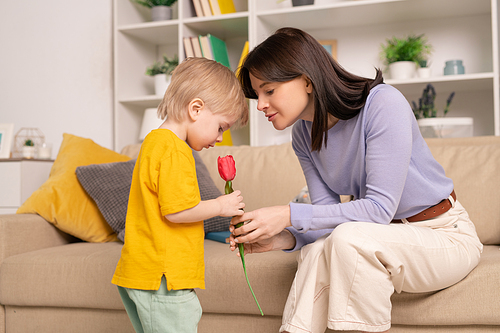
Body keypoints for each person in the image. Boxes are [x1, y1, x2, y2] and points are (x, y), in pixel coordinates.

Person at [231, 27, 483, 333]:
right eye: (256, 94)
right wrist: (285, 237)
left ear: (307, 80)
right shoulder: (302, 134)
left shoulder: (382, 104)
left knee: (349, 238)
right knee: (318, 248)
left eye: (269, 91)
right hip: (379, 240)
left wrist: (287, 213)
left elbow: (378, 210)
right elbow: (327, 221)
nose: (260, 105)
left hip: (444, 235)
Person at [112, 57, 248, 333]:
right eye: (221, 126)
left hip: (145, 274)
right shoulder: (175, 151)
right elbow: (176, 211)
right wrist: (221, 205)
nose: (220, 138)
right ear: (196, 109)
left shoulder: (154, 142)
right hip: (164, 278)